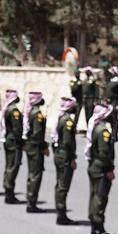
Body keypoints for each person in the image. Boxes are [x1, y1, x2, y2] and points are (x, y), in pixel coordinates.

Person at [86, 103, 116, 234]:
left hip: (94, 166)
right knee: (100, 197)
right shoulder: (103, 131)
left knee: (94, 196)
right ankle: (98, 226)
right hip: (101, 169)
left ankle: (95, 225)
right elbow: (104, 153)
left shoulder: (96, 127)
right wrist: (109, 169)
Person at [52, 96, 79, 225]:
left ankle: (60, 211)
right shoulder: (67, 121)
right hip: (65, 156)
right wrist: (72, 159)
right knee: (63, 186)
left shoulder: (60, 118)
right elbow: (68, 142)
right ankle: (61, 214)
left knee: (59, 185)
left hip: (59, 154)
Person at [24, 92, 48, 214]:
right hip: (35, 148)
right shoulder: (37, 114)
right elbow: (38, 134)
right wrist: (44, 146)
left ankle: (30, 199)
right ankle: (31, 202)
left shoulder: (30, 111)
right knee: (35, 175)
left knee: (32, 174)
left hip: (30, 146)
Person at [1, 89, 24, 205]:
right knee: (13, 166)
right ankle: (9, 192)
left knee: (9, 165)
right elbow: (17, 129)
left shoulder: (7, 109)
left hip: (9, 140)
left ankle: (8, 189)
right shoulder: (14, 111)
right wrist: (21, 142)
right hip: (14, 142)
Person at [105, 65, 118, 132]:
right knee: (109, 117)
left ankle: (114, 134)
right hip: (109, 102)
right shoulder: (111, 80)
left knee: (114, 117)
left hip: (114, 102)